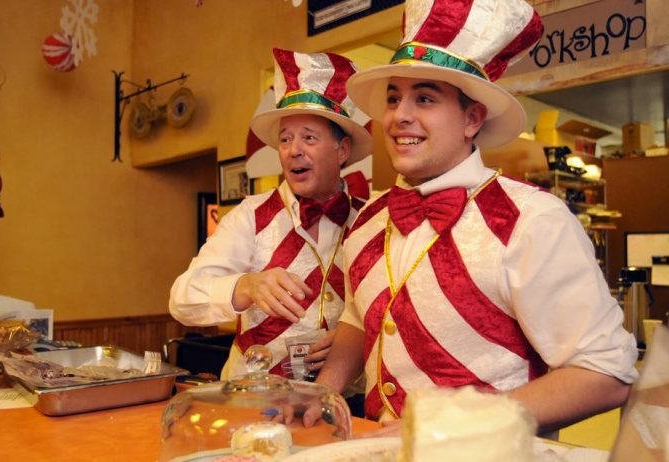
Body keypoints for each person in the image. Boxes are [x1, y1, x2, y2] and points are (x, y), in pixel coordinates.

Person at [312, 0, 638, 436]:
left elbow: (606, 373)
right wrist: (324, 392)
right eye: (393, 98)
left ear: (471, 118)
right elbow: (358, 314)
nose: (399, 115)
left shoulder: (532, 219)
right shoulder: (370, 217)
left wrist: (453, 426)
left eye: (424, 98)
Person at [169, 48, 373, 380]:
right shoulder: (249, 216)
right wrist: (245, 286)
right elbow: (182, 298)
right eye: (285, 139)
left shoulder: (371, 220)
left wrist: (358, 340)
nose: (294, 150)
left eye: (309, 137)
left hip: (347, 400)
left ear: (343, 150)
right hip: (253, 398)